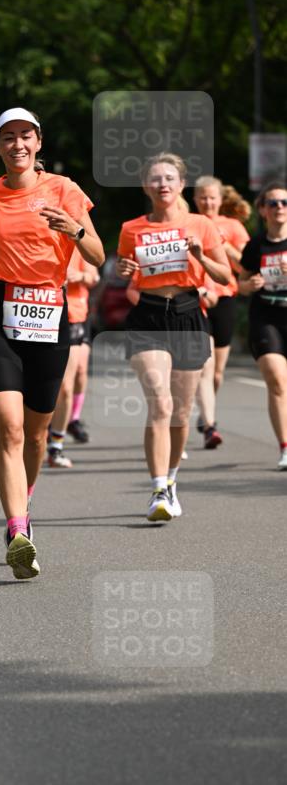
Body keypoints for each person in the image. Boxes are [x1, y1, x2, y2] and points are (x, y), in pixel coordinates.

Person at [0, 108, 104, 579]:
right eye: (8, 138)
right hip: (0, 311)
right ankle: (18, 529)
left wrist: (74, 230)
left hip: (49, 313)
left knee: (37, 434)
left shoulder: (65, 190)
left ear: (38, 143)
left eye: (26, 136)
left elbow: (98, 254)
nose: (17, 144)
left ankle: (25, 500)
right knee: (11, 428)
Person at [116, 153, 231, 522]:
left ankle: (172, 479)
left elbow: (225, 275)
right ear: (145, 186)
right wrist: (124, 269)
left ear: (181, 185)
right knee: (160, 404)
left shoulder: (201, 224)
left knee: (181, 412)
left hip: (187, 314)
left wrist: (200, 256)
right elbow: (125, 270)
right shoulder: (131, 228)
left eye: (169, 178)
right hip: (147, 315)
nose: (162, 184)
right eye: (155, 179)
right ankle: (158, 488)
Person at [193, 176, 251, 446]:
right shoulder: (189, 224)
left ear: (220, 199)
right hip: (197, 300)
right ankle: (210, 424)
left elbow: (245, 268)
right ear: (195, 199)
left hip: (225, 298)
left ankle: (206, 414)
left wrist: (224, 244)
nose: (208, 202)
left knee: (217, 373)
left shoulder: (233, 226)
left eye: (212, 197)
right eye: (203, 197)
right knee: (206, 366)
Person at [237, 181, 287, 470]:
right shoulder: (255, 245)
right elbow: (240, 284)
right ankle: (284, 447)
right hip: (266, 317)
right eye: (273, 203)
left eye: (284, 202)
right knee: (277, 379)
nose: (279, 207)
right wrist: (249, 284)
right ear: (263, 210)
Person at [47, 251, 99, 466]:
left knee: (68, 384)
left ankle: (56, 445)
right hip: (42, 315)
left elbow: (94, 276)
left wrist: (79, 276)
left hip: (74, 316)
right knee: (42, 383)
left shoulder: (77, 243)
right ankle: (38, 430)